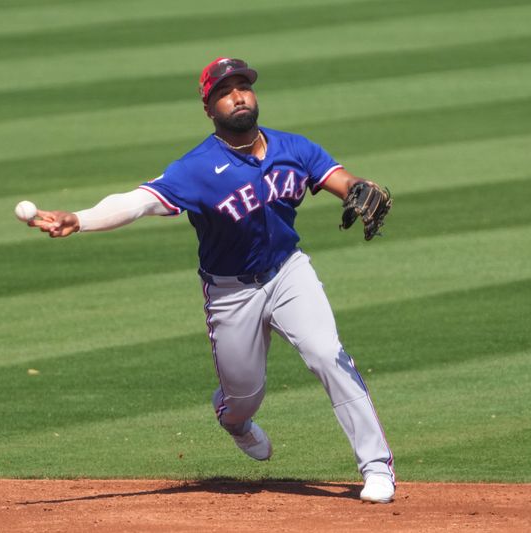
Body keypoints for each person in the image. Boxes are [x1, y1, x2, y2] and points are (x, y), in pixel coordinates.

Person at [28, 57, 396, 503]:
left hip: (288, 271)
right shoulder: (197, 168)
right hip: (230, 293)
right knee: (244, 395)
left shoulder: (293, 148)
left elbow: (343, 181)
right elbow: (138, 201)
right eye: (225, 91)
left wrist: (360, 186)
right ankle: (234, 421)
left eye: (243, 86)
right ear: (209, 108)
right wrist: (79, 219)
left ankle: (376, 467)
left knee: (327, 354)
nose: (237, 96)